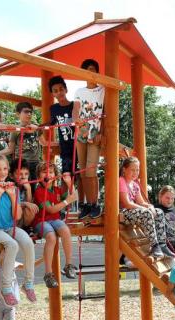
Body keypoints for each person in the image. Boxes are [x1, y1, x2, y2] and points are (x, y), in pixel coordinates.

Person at [0, 154, 37, 304]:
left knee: (27, 242)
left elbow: (17, 215)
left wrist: (13, 196)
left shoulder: (11, 187)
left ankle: (28, 283)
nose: (2, 172)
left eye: (5, 168)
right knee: (12, 245)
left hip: (9, 226)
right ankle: (6, 287)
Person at [32, 161, 79, 287]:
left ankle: (69, 265)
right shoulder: (39, 191)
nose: (48, 174)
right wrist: (66, 201)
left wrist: (69, 183)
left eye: (51, 172)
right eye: (44, 172)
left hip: (55, 220)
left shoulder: (57, 189)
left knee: (66, 231)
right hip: (41, 221)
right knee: (51, 237)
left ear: (55, 175)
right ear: (38, 177)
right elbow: (51, 210)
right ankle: (48, 274)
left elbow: (73, 197)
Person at [118, 157, 171, 258]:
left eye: (137, 170)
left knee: (159, 212)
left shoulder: (134, 185)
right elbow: (127, 203)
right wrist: (145, 209)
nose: (135, 172)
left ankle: (162, 244)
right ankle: (154, 245)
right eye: (132, 170)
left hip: (132, 212)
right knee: (146, 213)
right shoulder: (121, 181)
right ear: (124, 169)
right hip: (123, 213)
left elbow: (141, 202)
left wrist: (149, 206)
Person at [72, 59, 104, 220]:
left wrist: (102, 131)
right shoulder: (79, 91)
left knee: (91, 170)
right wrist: (75, 119)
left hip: (95, 132)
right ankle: (86, 204)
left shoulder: (103, 90)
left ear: (97, 72)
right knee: (82, 170)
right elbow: (76, 108)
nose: (90, 73)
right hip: (82, 132)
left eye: (92, 70)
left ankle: (95, 203)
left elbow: (107, 111)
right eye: (86, 70)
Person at [46, 75, 75, 188]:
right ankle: (66, 202)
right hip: (65, 147)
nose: (59, 93)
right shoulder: (54, 108)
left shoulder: (74, 105)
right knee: (66, 175)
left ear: (66, 89)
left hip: (78, 145)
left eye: (61, 89)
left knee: (80, 174)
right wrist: (38, 126)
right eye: (55, 91)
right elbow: (52, 122)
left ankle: (82, 202)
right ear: (52, 94)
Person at [5, 102, 42, 177]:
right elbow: (10, 149)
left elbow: (43, 142)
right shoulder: (16, 130)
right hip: (21, 162)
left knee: (33, 185)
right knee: (22, 185)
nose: (29, 114)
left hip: (35, 162)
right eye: (26, 111)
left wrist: (59, 143)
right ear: (18, 114)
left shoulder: (36, 128)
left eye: (30, 112)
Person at [155, 185, 175, 251]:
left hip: (172, 239)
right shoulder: (156, 208)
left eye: (172, 198)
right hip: (162, 242)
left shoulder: (173, 209)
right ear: (161, 196)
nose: (170, 200)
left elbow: (173, 224)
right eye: (167, 198)